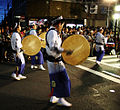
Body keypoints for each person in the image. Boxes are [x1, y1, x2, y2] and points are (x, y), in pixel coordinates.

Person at [46, 16, 73, 107]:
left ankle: (55, 96)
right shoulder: (53, 32)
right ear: (59, 24)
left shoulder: (54, 32)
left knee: (55, 79)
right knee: (64, 79)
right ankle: (60, 98)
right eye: (62, 24)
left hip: (54, 60)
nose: (62, 26)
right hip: (55, 61)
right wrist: (65, 51)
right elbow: (53, 48)